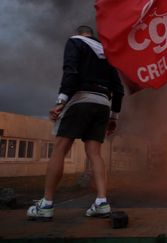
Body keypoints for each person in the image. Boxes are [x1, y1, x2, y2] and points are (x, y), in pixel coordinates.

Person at [27, 25, 124, 221]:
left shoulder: (75, 42)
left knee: (61, 149)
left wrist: (61, 101)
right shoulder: (108, 52)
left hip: (81, 98)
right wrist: (114, 117)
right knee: (95, 153)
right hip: (103, 103)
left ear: (79, 33)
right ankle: (102, 202)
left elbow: (70, 71)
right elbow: (119, 89)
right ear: (92, 35)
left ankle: (46, 204)